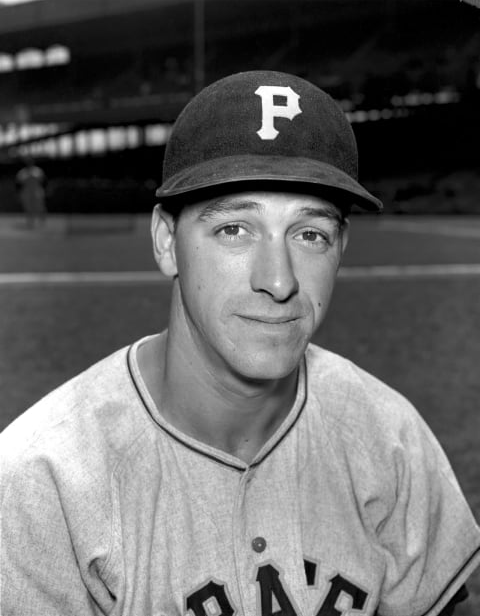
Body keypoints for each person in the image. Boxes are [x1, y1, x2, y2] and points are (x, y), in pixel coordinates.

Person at [1, 71, 479, 616]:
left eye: (309, 234)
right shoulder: (41, 481)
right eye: (234, 229)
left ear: (340, 248)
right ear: (166, 241)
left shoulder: (389, 436)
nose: (279, 281)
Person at [15, 156, 47, 228]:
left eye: (30, 161)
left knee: (39, 206)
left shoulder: (38, 171)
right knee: (28, 207)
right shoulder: (22, 172)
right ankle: (30, 221)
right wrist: (18, 193)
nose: (28, 163)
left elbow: (44, 181)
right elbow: (18, 184)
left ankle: (42, 220)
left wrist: (44, 189)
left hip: (37, 190)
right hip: (26, 191)